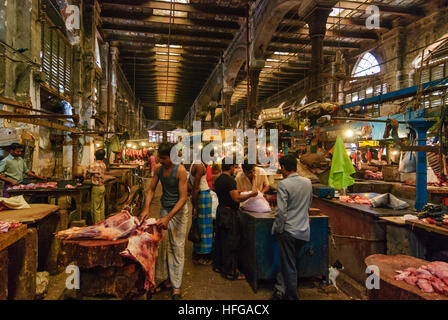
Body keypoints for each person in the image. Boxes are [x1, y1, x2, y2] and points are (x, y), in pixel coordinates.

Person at [139, 142, 188, 300]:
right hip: (165, 209)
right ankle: (163, 279)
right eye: (160, 157)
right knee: (162, 246)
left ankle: (176, 287)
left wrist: (168, 217)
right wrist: (146, 208)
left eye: (164, 158)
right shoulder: (159, 169)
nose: (160, 160)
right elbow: (152, 189)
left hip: (178, 212)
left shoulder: (180, 170)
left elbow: (182, 199)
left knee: (177, 247)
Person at [272, 155, 313, 300]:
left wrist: (277, 229)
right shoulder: (308, 182)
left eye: (280, 167)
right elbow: (308, 205)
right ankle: (280, 289)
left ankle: (291, 296)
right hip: (303, 231)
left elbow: (281, 212)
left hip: (289, 231)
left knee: (289, 265)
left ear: (283, 167)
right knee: (289, 262)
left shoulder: (284, 184)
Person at [213, 161, 257, 280]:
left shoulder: (218, 179)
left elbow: (228, 193)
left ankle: (218, 266)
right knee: (231, 242)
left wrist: (241, 192)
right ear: (231, 167)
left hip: (221, 211)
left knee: (220, 240)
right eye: (234, 167)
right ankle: (230, 271)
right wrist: (251, 194)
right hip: (228, 214)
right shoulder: (230, 180)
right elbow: (236, 198)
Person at [189, 158, 213, 265]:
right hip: (201, 197)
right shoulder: (199, 166)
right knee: (204, 227)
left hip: (199, 196)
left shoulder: (196, 163)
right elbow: (196, 188)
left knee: (199, 225)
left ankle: (198, 252)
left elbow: (191, 184)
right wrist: (195, 207)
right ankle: (202, 255)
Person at [85, 149, 107, 224]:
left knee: (95, 208)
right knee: (101, 207)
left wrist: (86, 172)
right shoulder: (104, 165)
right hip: (102, 187)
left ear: (95, 156)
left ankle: (97, 225)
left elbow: (86, 175)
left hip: (96, 188)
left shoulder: (93, 165)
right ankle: (102, 223)